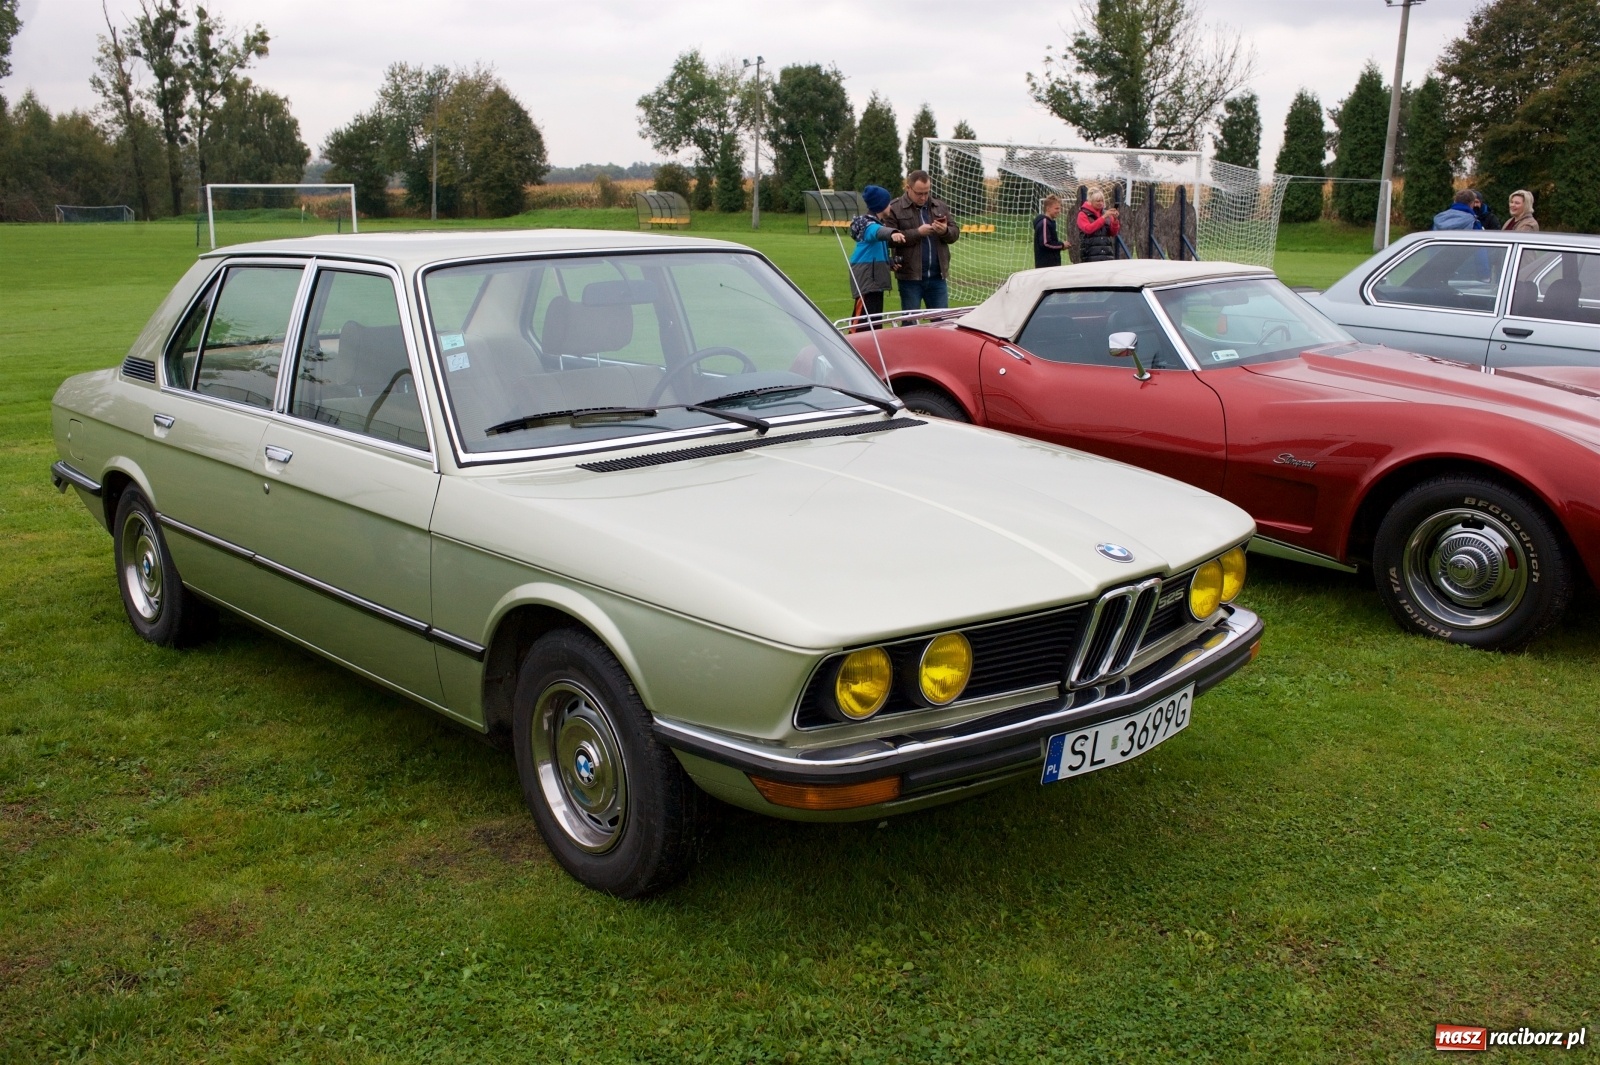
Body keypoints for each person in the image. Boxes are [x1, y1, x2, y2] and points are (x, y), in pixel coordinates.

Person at [886, 169, 961, 311]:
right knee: (910, 324)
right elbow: (889, 238)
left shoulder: (940, 206)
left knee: (941, 324)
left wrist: (945, 231)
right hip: (910, 278)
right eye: (919, 193)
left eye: (927, 192)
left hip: (938, 278)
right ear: (908, 188)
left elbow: (955, 233)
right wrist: (917, 233)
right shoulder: (895, 208)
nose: (924, 197)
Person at [847, 185, 905, 329]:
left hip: (874, 282)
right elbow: (875, 232)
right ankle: (851, 349)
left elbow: (874, 253)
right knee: (860, 324)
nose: (890, 206)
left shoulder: (874, 223)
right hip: (867, 282)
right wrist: (892, 233)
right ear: (882, 205)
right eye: (888, 203)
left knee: (874, 324)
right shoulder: (869, 224)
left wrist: (889, 263)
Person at [1076, 188, 1120, 262]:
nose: (1101, 203)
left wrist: (1115, 220)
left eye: (1102, 200)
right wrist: (1103, 218)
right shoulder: (1082, 214)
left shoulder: (1106, 214)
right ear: (1091, 201)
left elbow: (1113, 233)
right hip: (1090, 255)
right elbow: (1088, 229)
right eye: (1098, 201)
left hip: (1107, 254)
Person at [1033, 195, 1066, 269]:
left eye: (1059, 209)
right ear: (1048, 209)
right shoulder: (1044, 222)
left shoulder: (1050, 222)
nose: (1058, 211)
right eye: (1056, 208)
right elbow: (1045, 243)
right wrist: (1062, 245)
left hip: (1052, 264)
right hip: (1046, 265)